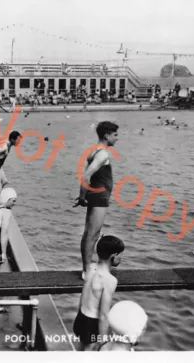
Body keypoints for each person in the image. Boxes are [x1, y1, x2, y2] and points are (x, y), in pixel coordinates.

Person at [74, 121, 119, 277]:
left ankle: (86, 266)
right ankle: (86, 269)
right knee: (93, 233)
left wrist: (84, 196)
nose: (117, 138)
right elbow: (86, 176)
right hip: (99, 197)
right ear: (106, 136)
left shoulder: (94, 151)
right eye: (115, 135)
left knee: (89, 232)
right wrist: (81, 196)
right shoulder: (103, 154)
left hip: (96, 195)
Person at [73, 235, 125, 351]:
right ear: (114, 255)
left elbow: (82, 297)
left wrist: (78, 317)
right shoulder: (109, 280)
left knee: (80, 350)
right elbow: (103, 315)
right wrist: (103, 340)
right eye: (121, 254)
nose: (122, 257)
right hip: (92, 323)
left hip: (80, 317)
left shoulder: (91, 268)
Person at [0, 131, 22, 206]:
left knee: (5, 181)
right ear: (12, 139)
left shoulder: (8, 143)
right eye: (17, 141)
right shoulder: (4, 147)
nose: (19, 142)